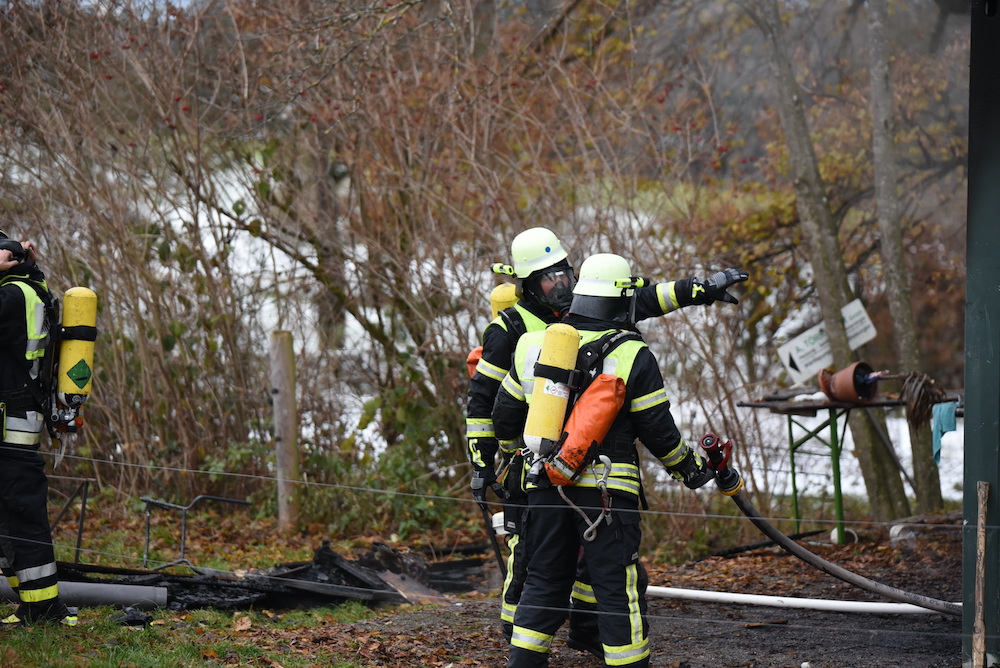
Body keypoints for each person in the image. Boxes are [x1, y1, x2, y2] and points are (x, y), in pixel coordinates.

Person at [465, 227, 746, 656]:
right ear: (526, 284)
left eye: (564, 273)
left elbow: (506, 411)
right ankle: (538, 632)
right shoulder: (520, 331)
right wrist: (488, 462)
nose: (559, 283)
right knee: (597, 578)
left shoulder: (536, 342)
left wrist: (699, 289)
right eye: (548, 278)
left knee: (548, 574)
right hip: (601, 487)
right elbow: (482, 401)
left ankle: (570, 636)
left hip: (545, 479)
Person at [0, 230, 77, 628]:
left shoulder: (14, 296)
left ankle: (45, 609)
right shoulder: (26, 290)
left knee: (20, 515)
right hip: (13, 421)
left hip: (10, 427)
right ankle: (34, 605)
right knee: (8, 517)